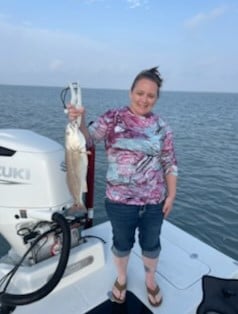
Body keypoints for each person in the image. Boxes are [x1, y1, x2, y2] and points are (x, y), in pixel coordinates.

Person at [67, 67, 178, 307]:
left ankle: (150, 280)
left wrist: (171, 196)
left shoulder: (162, 128)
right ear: (130, 92)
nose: (144, 99)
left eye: (150, 95)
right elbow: (88, 139)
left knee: (151, 244)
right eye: (140, 93)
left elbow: (170, 163)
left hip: (153, 203)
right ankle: (122, 277)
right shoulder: (112, 117)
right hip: (119, 202)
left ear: (156, 99)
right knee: (121, 243)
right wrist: (79, 119)